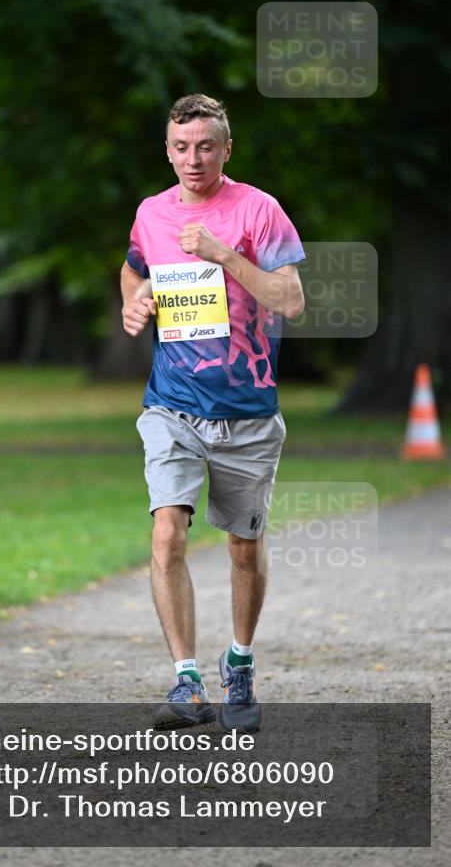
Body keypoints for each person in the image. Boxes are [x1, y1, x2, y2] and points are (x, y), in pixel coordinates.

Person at [121, 94, 305, 732]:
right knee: (167, 529)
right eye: (180, 146)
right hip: (171, 403)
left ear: (227, 148)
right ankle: (186, 681)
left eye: (205, 146)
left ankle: (241, 662)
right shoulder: (151, 213)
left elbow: (292, 298)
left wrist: (226, 255)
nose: (192, 158)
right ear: (167, 150)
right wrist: (136, 302)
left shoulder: (259, 209)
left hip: (248, 410)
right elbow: (134, 273)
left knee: (243, 549)